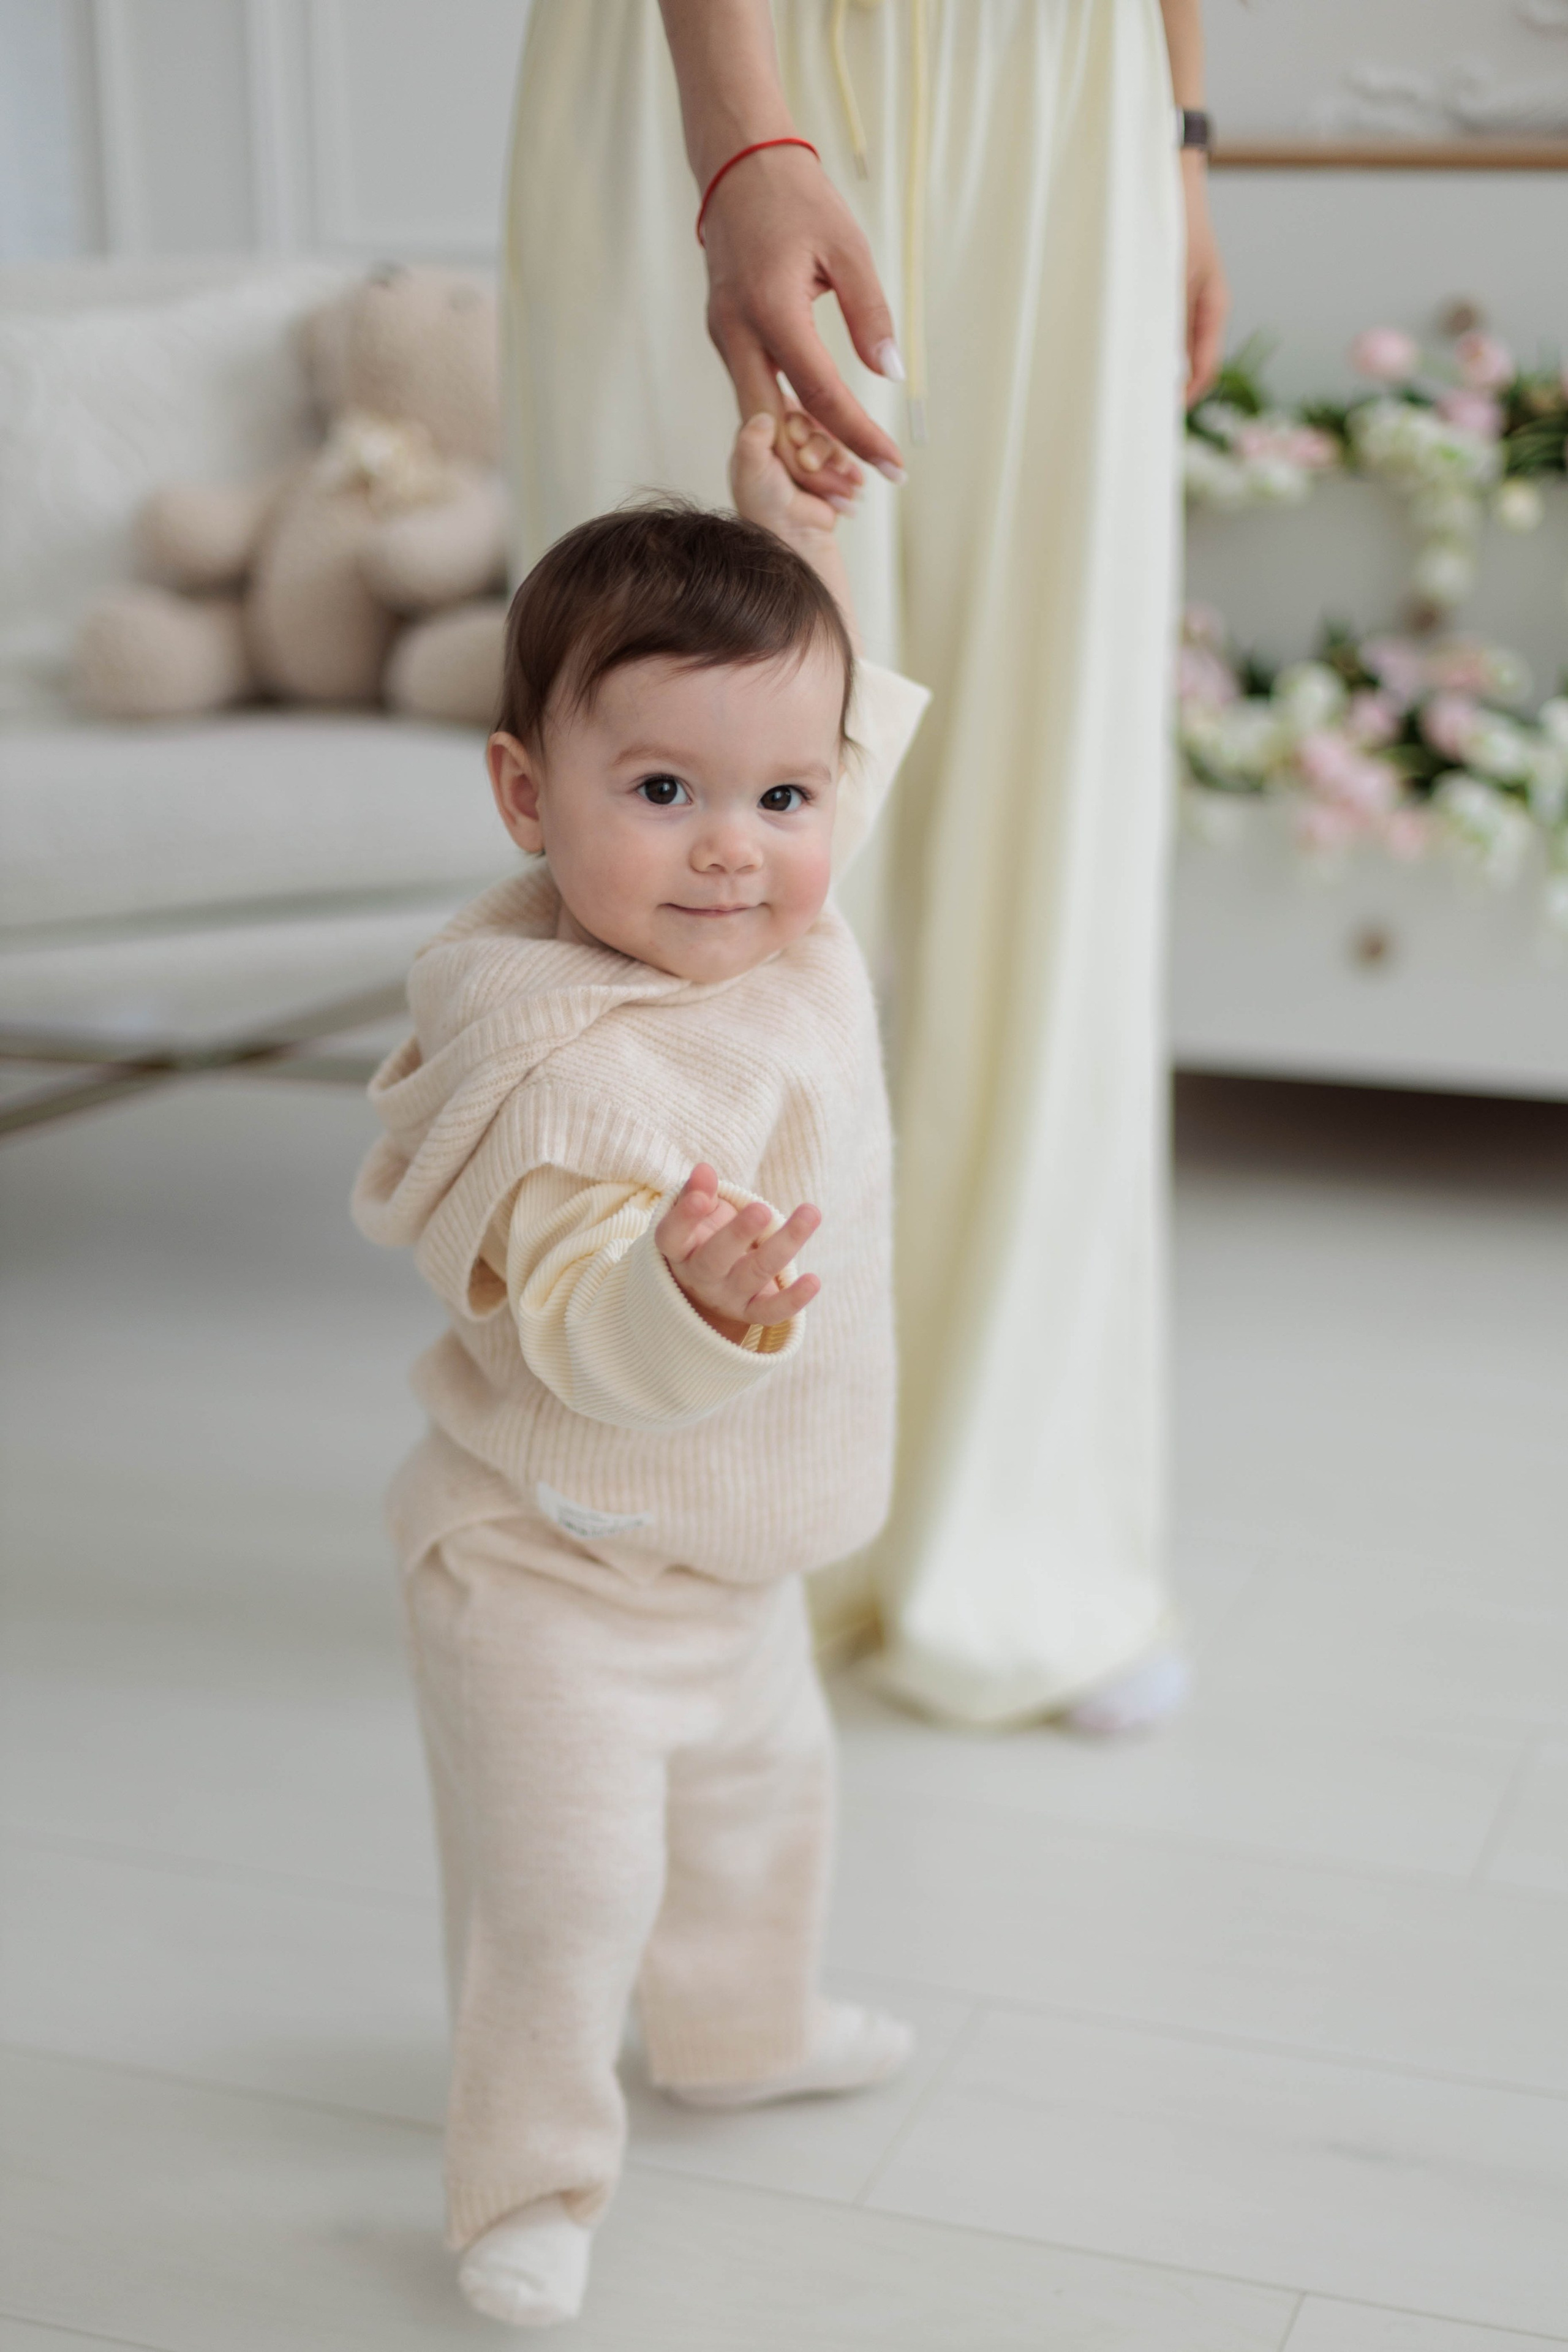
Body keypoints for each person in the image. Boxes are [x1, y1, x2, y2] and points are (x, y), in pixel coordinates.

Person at [502, 0, 1229, 1732]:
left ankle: (1014, 1516)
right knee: (676, 779)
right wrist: (743, 132)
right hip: (721, 55)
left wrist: (1183, 136)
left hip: (1067, 88)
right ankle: (673, 1518)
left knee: (1047, 807)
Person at [352, 413, 929, 2327]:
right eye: (663, 786)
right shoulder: (551, 1056)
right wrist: (687, 1292)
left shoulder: (797, 927)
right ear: (529, 795)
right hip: (552, 1575)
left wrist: (796, 534)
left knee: (768, 1825)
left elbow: (822, 714)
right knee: (564, 1910)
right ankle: (526, 2183)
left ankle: (744, 2035)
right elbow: (584, 1332)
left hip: (736, 1564)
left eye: (779, 801)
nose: (729, 848)